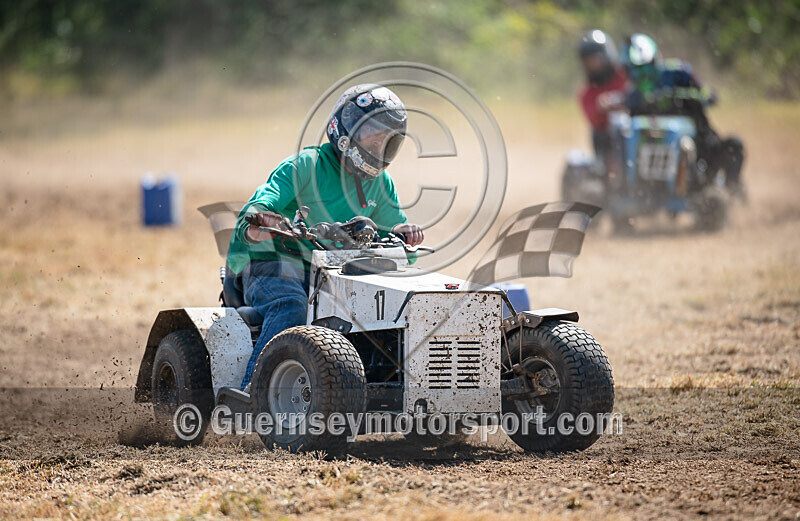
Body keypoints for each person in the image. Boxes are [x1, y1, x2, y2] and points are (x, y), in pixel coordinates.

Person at [227, 84, 424, 390]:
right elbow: (255, 212)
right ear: (343, 127)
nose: (377, 142)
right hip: (274, 264)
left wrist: (404, 236)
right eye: (372, 131)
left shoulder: (381, 184)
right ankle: (254, 392)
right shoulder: (306, 165)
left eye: (387, 138)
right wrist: (262, 220)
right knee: (290, 305)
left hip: (332, 272)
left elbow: (400, 248)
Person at [620, 33, 745, 198]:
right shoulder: (633, 95)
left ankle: (732, 189)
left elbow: (705, 92)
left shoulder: (678, 72)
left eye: (643, 69)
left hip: (701, 145)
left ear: (653, 61)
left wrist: (701, 96)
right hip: (657, 157)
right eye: (634, 72)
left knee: (733, 146)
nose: (640, 75)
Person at [577, 29, 629, 160]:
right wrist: (603, 109)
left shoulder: (627, 76)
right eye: (588, 60)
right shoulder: (587, 93)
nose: (592, 64)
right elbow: (595, 122)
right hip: (610, 146)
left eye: (595, 59)